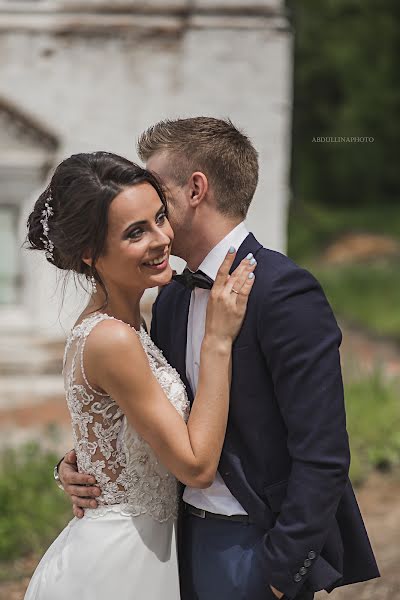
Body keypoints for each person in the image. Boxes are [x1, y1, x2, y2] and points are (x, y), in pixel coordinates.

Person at [59, 118, 380, 600]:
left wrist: (283, 572)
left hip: (249, 549)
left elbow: (323, 453)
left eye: (158, 193)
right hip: (166, 544)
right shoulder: (168, 294)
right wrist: (84, 463)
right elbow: (149, 416)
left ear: (195, 189)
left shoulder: (283, 291)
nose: (150, 205)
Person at [23, 151, 256, 600]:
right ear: (89, 253)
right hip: (118, 563)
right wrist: (218, 342)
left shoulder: (128, 323)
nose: (161, 238)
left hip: (144, 549)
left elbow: (121, 432)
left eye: (159, 218)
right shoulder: (113, 339)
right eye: (135, 232)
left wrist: (76, 464)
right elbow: (197, 466)